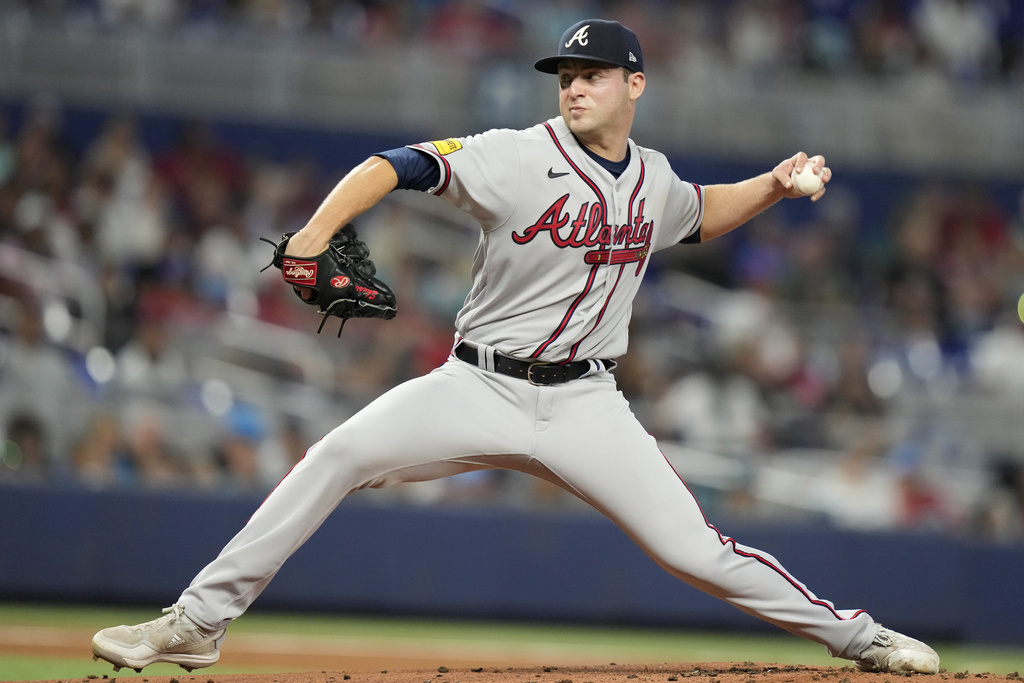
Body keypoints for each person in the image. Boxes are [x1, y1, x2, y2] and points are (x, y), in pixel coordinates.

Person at [91, 19, 939, 676]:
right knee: (338, 452)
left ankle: (860, 637)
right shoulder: (514, 156)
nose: (574, 88)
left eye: (592, 76)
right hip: (477, 383)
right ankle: (197, 623)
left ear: (634, 84)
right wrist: (314, 234)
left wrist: (777, 185)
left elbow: (701, 209)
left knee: (698, 552)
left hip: (585, 402)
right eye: (566, 76)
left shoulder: (651, 178)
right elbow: (396, 164)